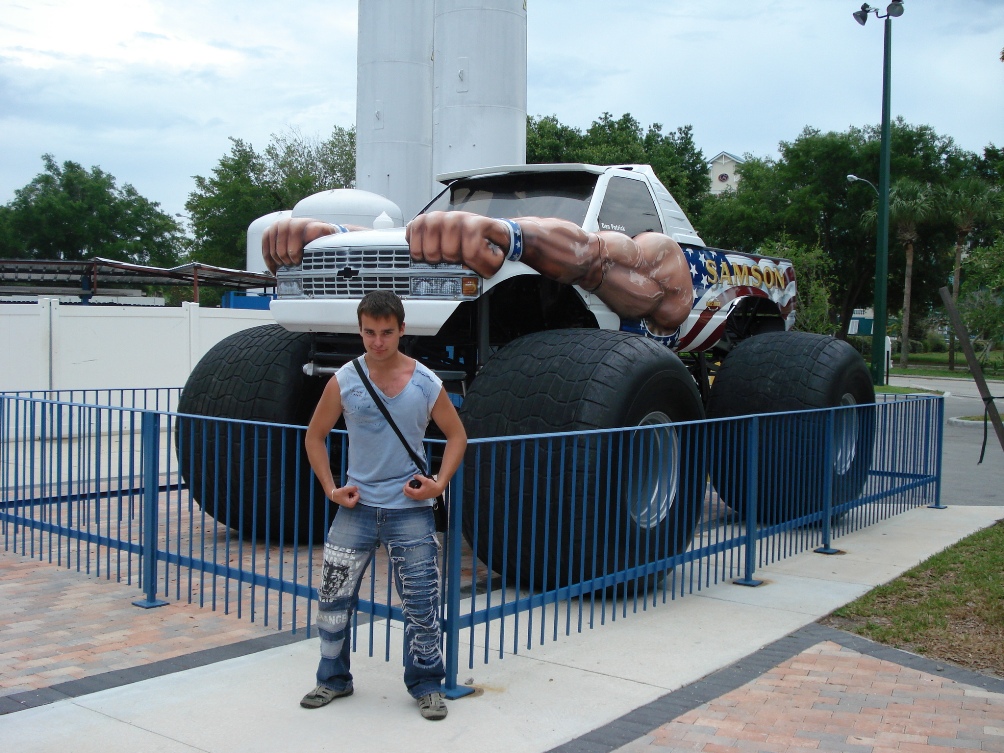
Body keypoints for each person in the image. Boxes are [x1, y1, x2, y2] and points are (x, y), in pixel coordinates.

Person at [299, 289, 467, 721]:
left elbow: (457, 436)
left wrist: (438, 484)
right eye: (370, 332)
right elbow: (314, 436)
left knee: (421, 604)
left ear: (402, 330)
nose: (377, 341)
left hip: (409, 509)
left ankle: (426, 685)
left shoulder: (425, 382)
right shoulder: (345, 380)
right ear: (360, 331)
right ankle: (333, 678)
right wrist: (331, 489)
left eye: (386, 332)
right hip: (355, 507)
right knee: (333, 598)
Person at [262, 211, 694, 335]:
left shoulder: (651, 248)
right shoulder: (463, 232)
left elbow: (592, 254)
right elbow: (404, 239)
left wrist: (511, 234)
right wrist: (333, 236)